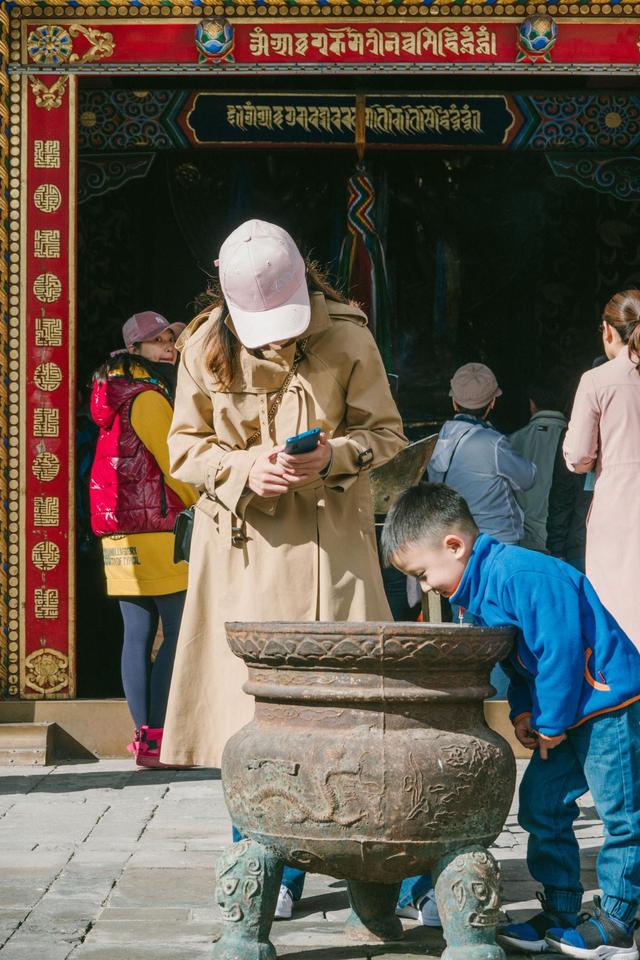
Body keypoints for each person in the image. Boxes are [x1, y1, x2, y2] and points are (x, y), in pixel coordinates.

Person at [160, 219, 407, 917]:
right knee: (252, 717)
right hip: (243, 556)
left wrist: (333, 457)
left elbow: (388, 436)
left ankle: (380, 862)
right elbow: (184, 448)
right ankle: (265, 861)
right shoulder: (204, 342)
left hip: (335, 550)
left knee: (359, 711)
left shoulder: (350, 336)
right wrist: (244, 467)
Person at [381, 482, 640, 960]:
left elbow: (559, 652)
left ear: (454, 545)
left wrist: (551, 721)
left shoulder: (523, 575)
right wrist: (524, 710)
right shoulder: (475, 591)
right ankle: (561, 911)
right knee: (542, 805)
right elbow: (517, 662)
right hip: (561, 713)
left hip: (607, 704)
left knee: (621, 814)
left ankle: (620, 921)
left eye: (422, 572)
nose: (425, 585)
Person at [89, 311, 198, 768]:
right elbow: (176, 466)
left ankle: (143, 737)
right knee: (177, 631)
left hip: (117, 536)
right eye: (156, 341)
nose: (168, 346)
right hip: (157, 530)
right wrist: (202, 498)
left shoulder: (109, 398)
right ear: (134, 351)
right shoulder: (149, 398)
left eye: (170, 337)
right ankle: (159, 736)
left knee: (135, 636)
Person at [563, 289, 640, 651]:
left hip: (620, 509)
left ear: (608, 330)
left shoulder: (597, 381)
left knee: (619, 611)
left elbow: (577, 458)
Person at [428, 363, 536, 547]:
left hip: (455, 539)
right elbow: (527, 478)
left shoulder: (437, 441)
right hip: (498, 541)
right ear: (492, 403)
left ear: (454, 402)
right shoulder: (494, 442)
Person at [509, 382, 567, 552]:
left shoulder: (509, 442)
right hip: (567, 539)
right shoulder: (579, 442)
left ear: (532, 405)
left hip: (527, 540)